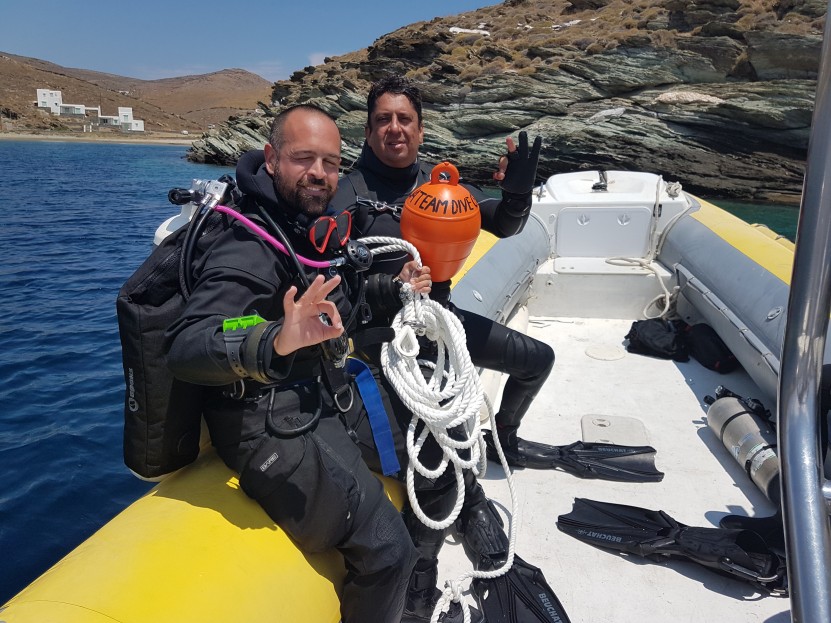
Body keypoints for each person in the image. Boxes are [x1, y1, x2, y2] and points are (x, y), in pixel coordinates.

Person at [165, 104, 438, 623]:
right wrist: (274, 339)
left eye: (331, 163)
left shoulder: (305, 222)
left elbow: (341, 298)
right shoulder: (245, 243)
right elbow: (187, 344)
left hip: (324, 385)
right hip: (265, 417)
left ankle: (419, 593)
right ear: (271, 159)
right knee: (387, 548)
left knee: (433, 458)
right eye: (303, 158)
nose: (319, 173)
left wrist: (393, 288)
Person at [329, 72, 557, 614]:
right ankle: (421, 571)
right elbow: (334, 279)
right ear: (367, 130)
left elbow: (501, 222)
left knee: (537, 361)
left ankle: (506, 436)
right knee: (435, 465)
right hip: (385, 345)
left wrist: (519, 190)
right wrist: (387, 291)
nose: (394, 128)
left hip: (444, 325)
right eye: (382, 119)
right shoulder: (346, 194)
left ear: (420, 127)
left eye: (403, 118)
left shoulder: (436, 185)